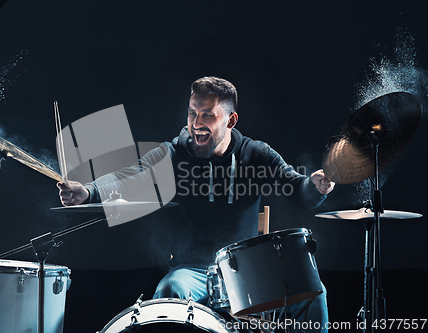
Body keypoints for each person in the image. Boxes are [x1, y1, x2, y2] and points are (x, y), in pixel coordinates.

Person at [58, 77, 334, 332]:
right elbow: (128, 177)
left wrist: (315, 186)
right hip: (192, 270)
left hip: (249, 271)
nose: (196, 123)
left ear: (231, 120)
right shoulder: (171, 153)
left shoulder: (256, 153)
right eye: (192, 113)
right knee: (169, 291)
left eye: (207, 115)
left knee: (311, 292)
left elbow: (298, 189)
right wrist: (89, 191)